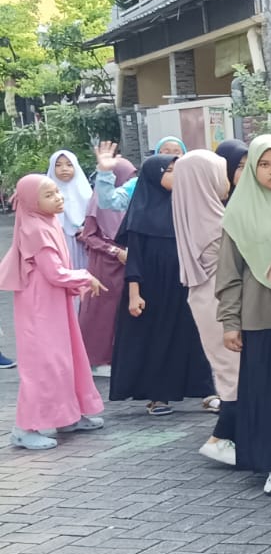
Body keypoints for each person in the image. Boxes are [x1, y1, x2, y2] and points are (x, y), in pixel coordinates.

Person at [217, 136, 271, 496]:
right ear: (253, 169)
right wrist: (230, 322)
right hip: (260, 317)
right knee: (268, 394)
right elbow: (229, 274)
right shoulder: (238, 214)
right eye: (264, 165)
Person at [1, 174, 107, 449]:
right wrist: (85, 276)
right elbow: (54, 272)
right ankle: (24, 429)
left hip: (53, 304)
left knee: (65, 360)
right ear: (31, 202)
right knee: (44, 366)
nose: (58, 198)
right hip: (40, 308)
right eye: (48, 195)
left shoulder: (46, 222)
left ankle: (67, 417)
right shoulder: (35, 229)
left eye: (57, 192)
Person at [109, 154, 215, 417]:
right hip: (153, 289)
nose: (176, 175)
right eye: (169, 171)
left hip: (184, 284)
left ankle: (208, 392)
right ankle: (158, 396)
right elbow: (135, 259)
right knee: (158, 340)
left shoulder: (186, 206)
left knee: (194, 336)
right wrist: (134, 294)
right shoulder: (141, 212)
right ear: (154, 176)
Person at [172, 150, 240, 461]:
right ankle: (221, 438)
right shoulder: (216, 222)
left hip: (205, 299)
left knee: (227, 368)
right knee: (233, 369)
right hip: (220, 303)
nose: (226, 181)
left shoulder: (192, 214)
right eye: (220, 174)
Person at [77, 157, 136, 376]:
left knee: (126, 311)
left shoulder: (131, 199)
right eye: (126, 178)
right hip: (105, 265)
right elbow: (88, 236)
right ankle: (97, 359)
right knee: (102, 313)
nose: (129, 182)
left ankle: (119, 357)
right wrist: (115, 251)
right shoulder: (98, 201)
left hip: (129, 262)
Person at [48, 150, 94, 271]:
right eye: (58, 165)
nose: (64, 169)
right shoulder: (46, 195)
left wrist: (88, 230)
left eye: (69, 165)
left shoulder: (87, 193)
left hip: (85, 240)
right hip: (58, 240)